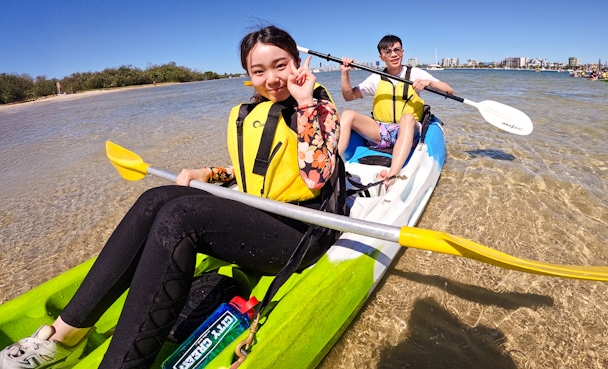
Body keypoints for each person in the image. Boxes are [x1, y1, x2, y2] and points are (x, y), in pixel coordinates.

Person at [0, 25, 342, 369]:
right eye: (259, 71)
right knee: (157, 198)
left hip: (301, 233)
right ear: (248, 75)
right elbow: (258, 168)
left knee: (180, 219)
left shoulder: (319, 108)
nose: (271, 79)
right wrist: (208, 173)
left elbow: (315, 177)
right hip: (260, 217)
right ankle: (63, 335)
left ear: (299, 63)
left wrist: (305, 102)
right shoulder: (255, 110)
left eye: (280, 65)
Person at [338, 35, 453, 190]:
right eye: (388, 51)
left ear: (403, 52)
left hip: (407, 131)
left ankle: (392, 175)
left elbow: (449, 90)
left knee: (407, 118)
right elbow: (348, 96)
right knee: (347, 114)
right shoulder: (376, 78)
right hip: (382, 131)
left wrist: (429, 82)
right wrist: (345, 73)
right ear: (381, 57)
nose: (393, 54)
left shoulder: (415, 73)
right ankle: (331, 162)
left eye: (397, 50)